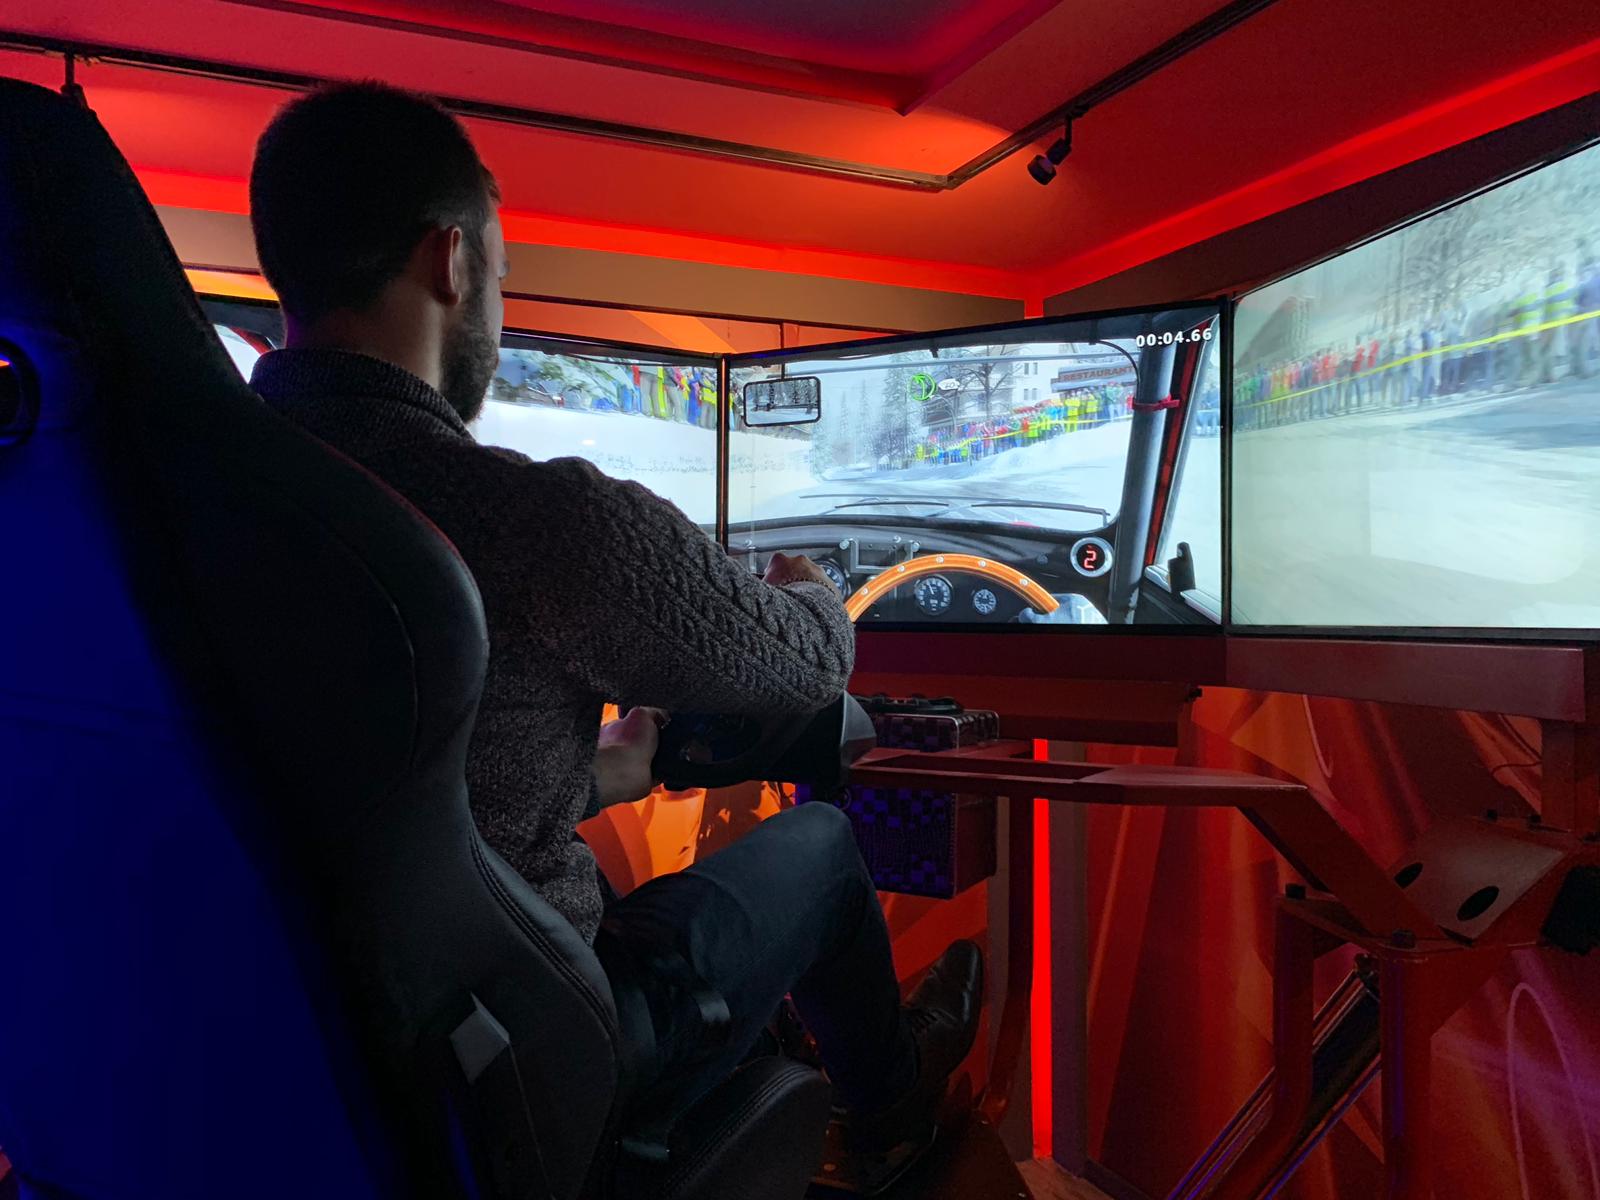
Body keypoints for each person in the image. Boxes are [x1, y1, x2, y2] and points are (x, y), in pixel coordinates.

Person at [246, 83, 982, 1170]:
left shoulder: (176, 512)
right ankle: (890, 1114)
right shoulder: (538, 520)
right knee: (825, 848)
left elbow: (382, 798)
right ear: (451, 261)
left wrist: (602, 776)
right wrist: (813, 588)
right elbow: (810, 664)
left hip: (276, 1058)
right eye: (502, 276)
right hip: (522, 1055)